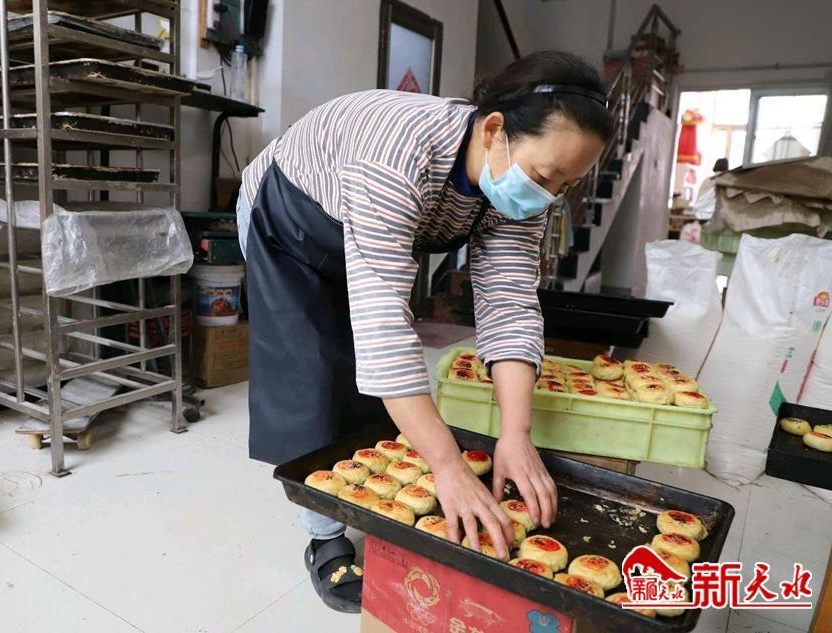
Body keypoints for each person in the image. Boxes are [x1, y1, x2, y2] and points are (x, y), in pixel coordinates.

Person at [236, 50, 612, 613]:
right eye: (543, 176)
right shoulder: (396, 153)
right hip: (289, 226)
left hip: (358, 237)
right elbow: (387, 332)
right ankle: (324, 537)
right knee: (311, 376)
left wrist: (516, 433)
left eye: (565, 184)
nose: (548, 195)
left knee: (367, 385)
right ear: (494, 130)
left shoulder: (520, 189)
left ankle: (366, 493)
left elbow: (509, 303)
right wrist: (447, 466)